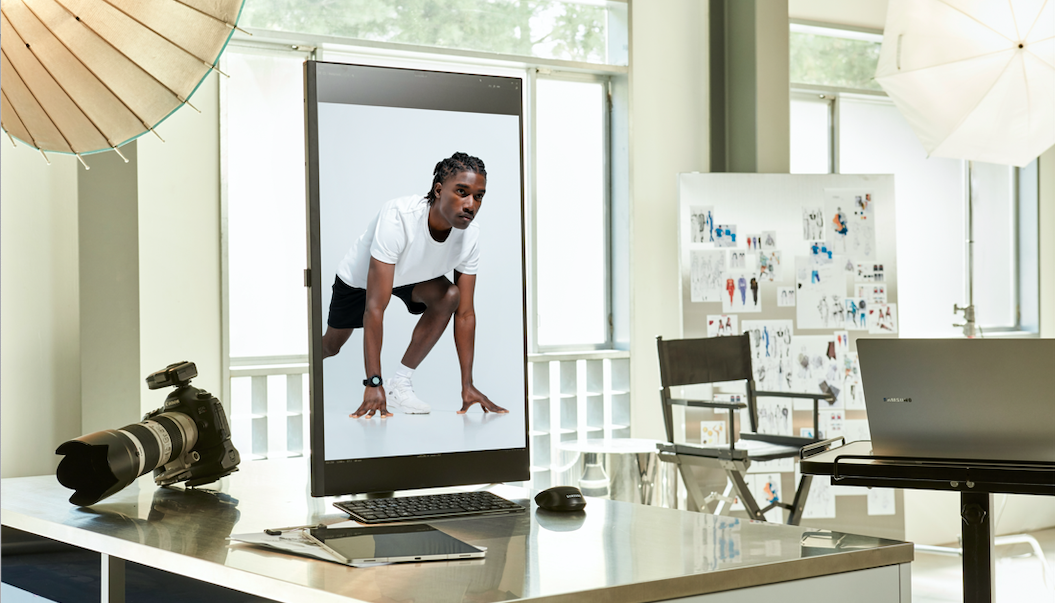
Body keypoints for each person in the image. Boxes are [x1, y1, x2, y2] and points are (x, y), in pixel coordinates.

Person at [322, 152, 507, 419]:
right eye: (462, 192)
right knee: (331, 346)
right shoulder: (399, 217)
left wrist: (467, 385)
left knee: (450, 296)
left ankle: (401, 383)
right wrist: (374, 383)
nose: (471, 204)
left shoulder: (470, 236)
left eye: (478, 196)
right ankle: (301, 365)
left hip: (411, 276)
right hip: (361, 281)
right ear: (439, 189)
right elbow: (375, 307)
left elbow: (465, 314)